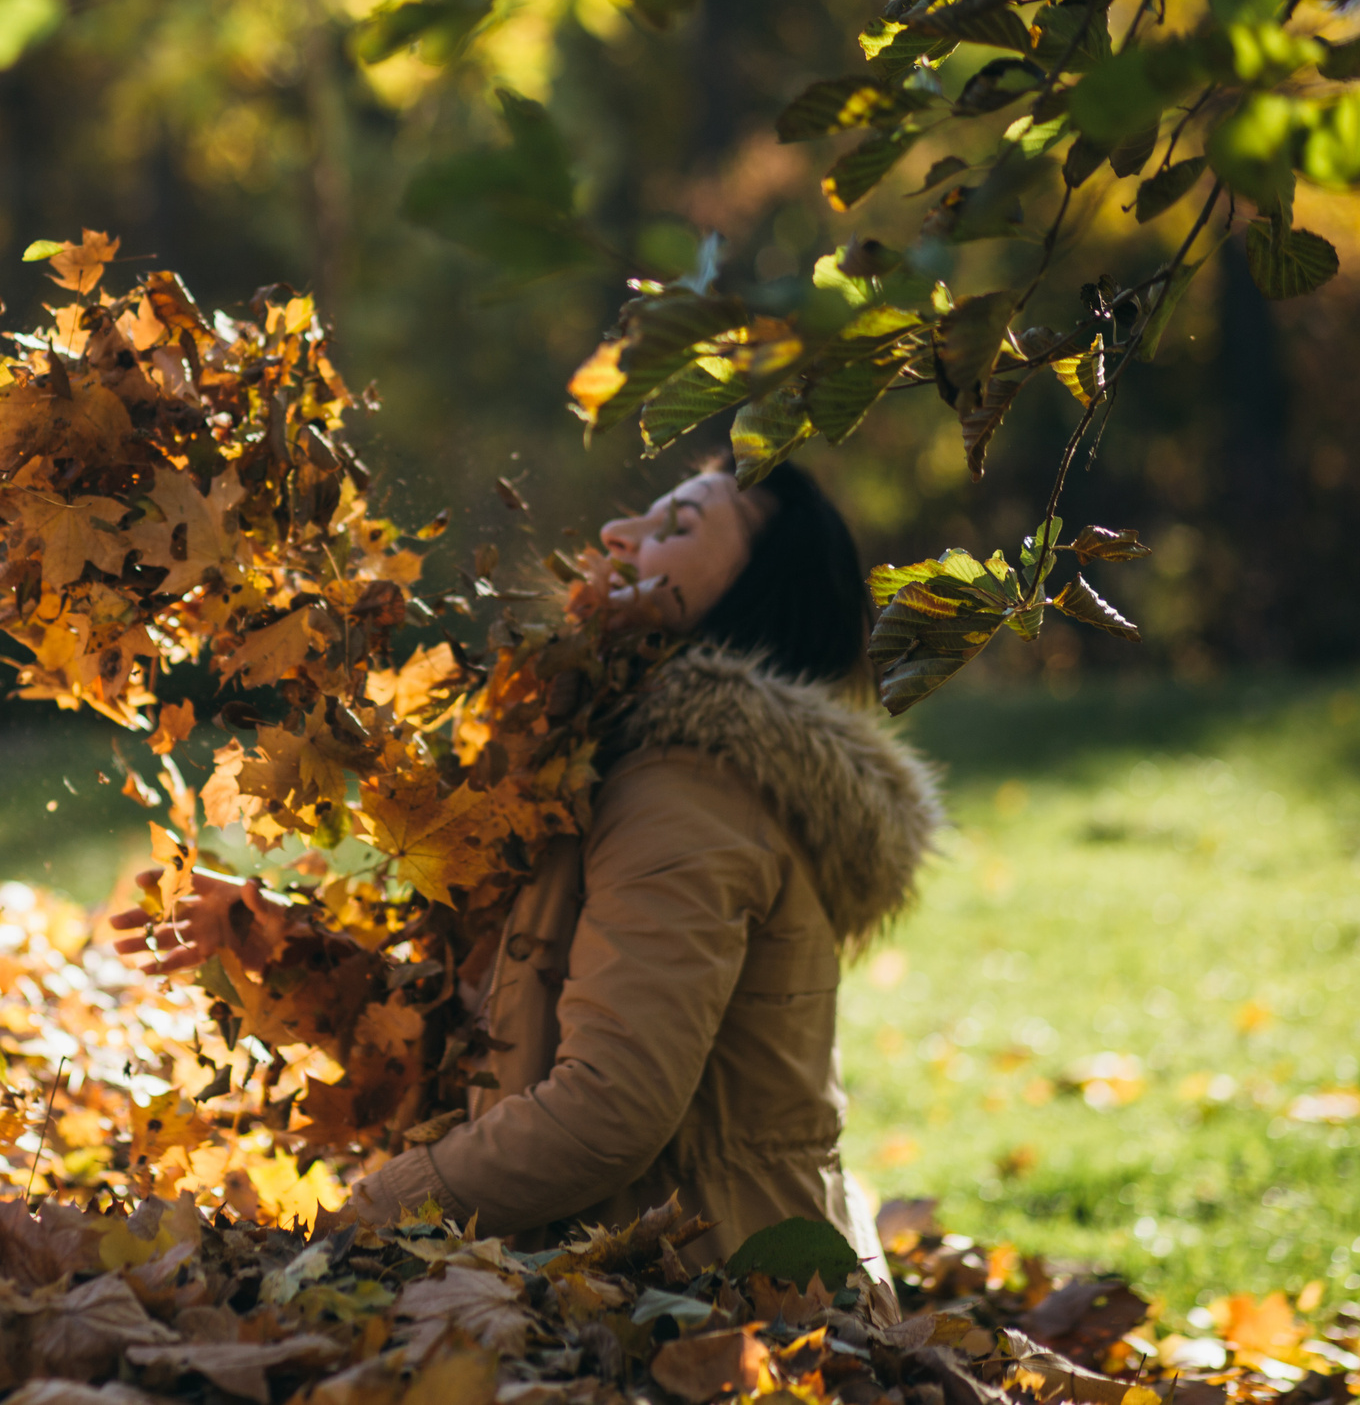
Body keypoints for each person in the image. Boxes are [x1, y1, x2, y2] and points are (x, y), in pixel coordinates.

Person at [114, 460, 943, 1269]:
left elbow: (607, 1112)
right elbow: (498, 1043)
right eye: (646, 510)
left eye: (676, 526)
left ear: (756, 601)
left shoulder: (688, 792)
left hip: (709, 1300)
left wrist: (358, 1220)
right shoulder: (608, 761)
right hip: (645, 1271)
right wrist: (294, 955)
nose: (620, 530)